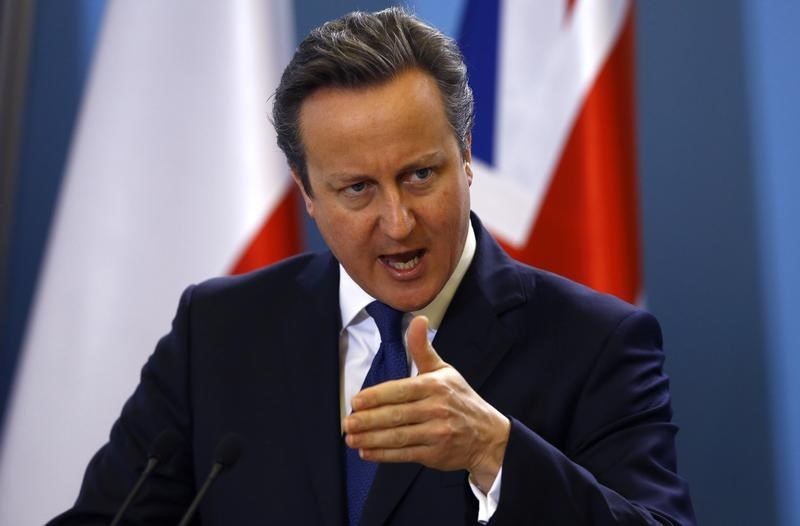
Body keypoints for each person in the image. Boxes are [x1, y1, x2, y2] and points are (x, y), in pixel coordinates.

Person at [51, 7, 695, 525]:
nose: (397, 221)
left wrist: (494, 451)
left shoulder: (595, 341)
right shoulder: (219, 329)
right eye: (357, 188)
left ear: (466, 157)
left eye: (420, 175)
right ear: (306, 192)